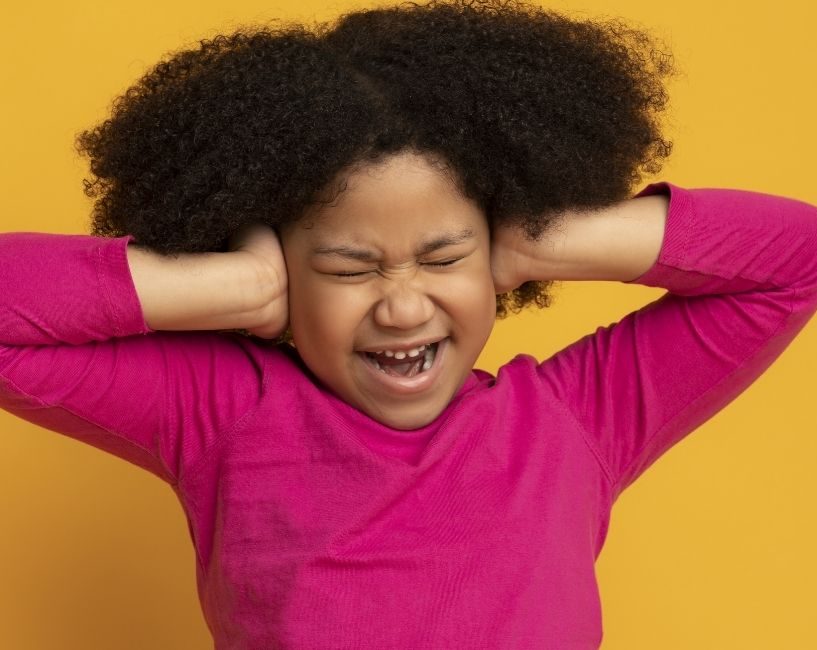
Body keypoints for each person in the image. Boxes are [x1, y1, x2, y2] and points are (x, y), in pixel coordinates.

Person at [1, 0, 815, 647]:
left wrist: (544, 236)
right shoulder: (220, 414)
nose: (400, 304)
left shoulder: (575, 419)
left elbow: (796, 261)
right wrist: (226, 284)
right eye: (348, 268)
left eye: (443, 257)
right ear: (283, 270)